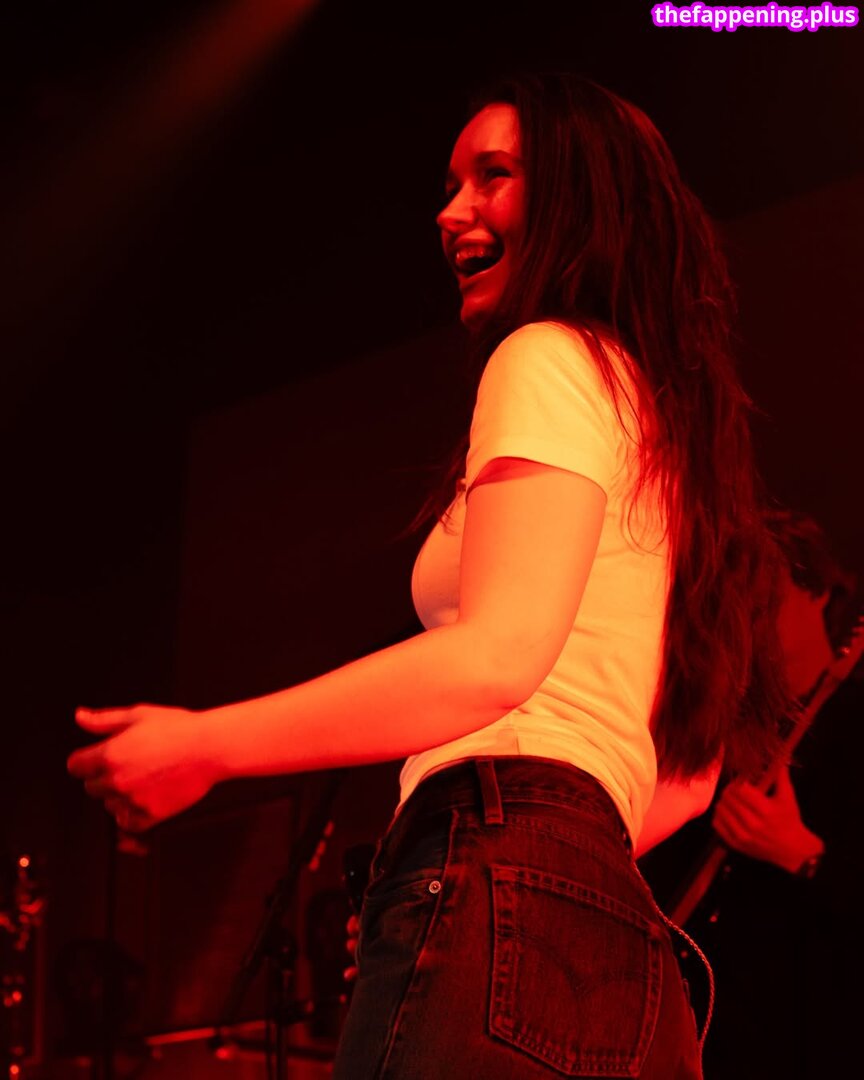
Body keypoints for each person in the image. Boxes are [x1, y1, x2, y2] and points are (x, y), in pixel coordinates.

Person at [67, 73, 788, 1078]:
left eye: (493, 176)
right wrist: (566, 871)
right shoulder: (671, 436)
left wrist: (207, 746)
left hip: (502, 873)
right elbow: (693, 775)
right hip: (625, 949)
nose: (451, 212)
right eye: (451, 185)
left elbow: (494, 658)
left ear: (580, 193)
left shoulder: (546, 356)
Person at [641, 512, 863, 1078]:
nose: (745, 620)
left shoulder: (854, 724)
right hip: (689, 1038)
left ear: (816, 591)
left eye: (762, 596)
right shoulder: (710, 730)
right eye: (732, 605)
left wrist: (802, 854)